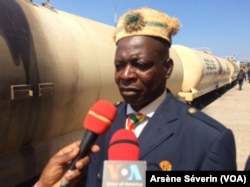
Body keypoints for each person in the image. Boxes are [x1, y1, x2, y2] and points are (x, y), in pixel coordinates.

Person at [37, 7, 237, 187]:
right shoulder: (105, 124)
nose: (126, 75)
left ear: (167, 69)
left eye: (140, 64)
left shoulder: (209, 139)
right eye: (119, 65)